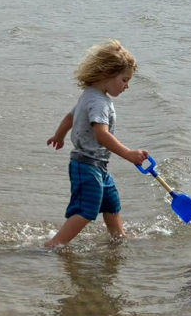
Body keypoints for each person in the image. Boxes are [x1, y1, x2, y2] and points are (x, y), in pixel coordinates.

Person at [43, 40, 149, 248]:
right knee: (86, 210)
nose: (127, 86)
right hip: (86, 164)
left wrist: (59, 135)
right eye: (124, 80)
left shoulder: (90, 96)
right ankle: (55, 244)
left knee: (111, 203)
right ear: (107, 74)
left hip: (98, 165)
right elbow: (101, 134)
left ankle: (118, 237)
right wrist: (128, 154)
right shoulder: (98, 102)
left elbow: (70, 117)